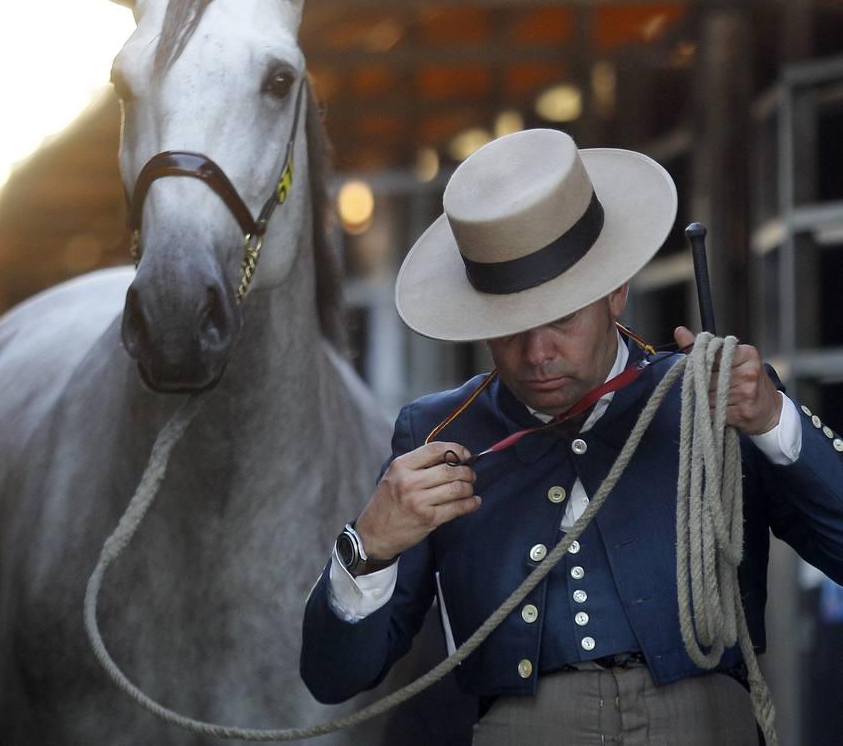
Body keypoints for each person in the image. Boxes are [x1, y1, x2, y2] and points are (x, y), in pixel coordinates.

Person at [300, 128, 843, 744]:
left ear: (615, 290)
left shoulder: (708, 397)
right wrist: (369, 546)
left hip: (704, 719)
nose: (537, 353)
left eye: (560, 318)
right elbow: (333, 678)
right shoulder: (436, 432)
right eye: (508, 328)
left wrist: (775, 423)